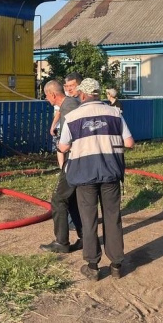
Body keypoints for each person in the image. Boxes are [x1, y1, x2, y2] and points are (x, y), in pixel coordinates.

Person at [59, 78, 134, 281]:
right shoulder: (115, 113)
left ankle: (93, 266)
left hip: (85, 175)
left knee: (88, 218)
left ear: (82, 95)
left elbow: (63, 146)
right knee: (112, 216)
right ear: (99, 94)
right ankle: (117, 264)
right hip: (110, 173)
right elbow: (129, 142)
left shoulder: (73, 117)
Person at [40, 80, 83, 254]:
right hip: (77, 159)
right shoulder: (70, 104)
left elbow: (73, 136)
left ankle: (61, 242)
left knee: (58, 199)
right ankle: (85, 238)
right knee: (72, 200)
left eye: (46, 95)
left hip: (74, 160)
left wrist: (63, 154)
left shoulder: (69, 107)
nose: (46, 98)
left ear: (52, 94)